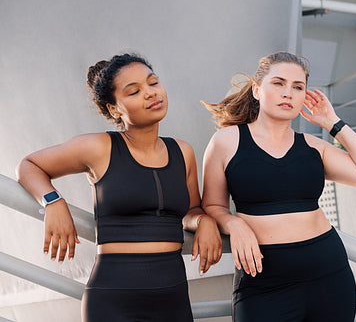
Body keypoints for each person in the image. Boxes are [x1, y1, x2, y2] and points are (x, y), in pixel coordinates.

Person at [17, 54, 222, 322]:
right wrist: (53, 201)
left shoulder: (183, 152)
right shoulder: (98, 147)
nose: (151, 93)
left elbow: (190, 210)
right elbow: (29, 164)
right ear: (114, 109)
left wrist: (204, 220)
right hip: (114, 299)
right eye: (135, 91)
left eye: (153, 83)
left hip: (173, 297)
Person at [201, 51, 356, 322]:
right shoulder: (225, 141)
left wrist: (332, 123)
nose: (288, 93)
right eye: (278, 83)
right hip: (262, 282)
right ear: (257, 90)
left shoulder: (314, 147)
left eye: (298, 87)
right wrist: (234, 225)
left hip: (328, 276)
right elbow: (212, 205)